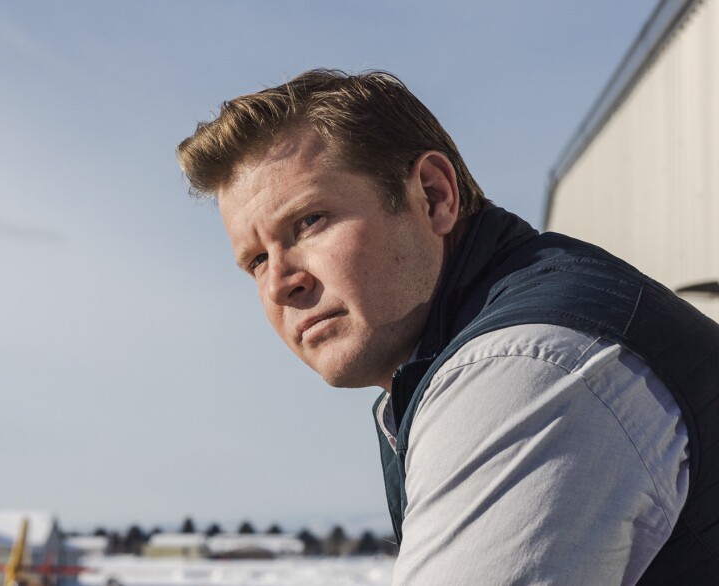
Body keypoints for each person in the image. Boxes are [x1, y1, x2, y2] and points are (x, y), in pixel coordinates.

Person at [176, 69, 719, 584]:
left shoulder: (522, 371)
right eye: (255, 261)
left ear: (434, 197)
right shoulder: (467, 350)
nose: (279, 285)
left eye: (308, 222)